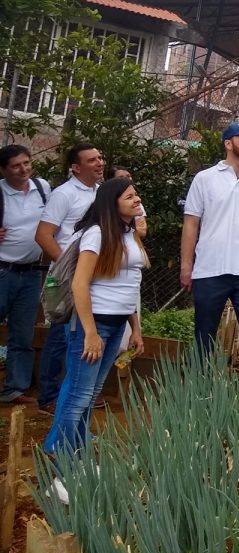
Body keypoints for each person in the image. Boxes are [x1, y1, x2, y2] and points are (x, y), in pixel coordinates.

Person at [42, 177, 147, 457]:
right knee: (78, 395)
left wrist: (135, 329)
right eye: (129, 197)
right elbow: (79, 284)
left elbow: (129, 284)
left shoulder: (128, 233)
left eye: (136, 195)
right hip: (93, 324)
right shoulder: (96, 234)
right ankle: (59, 459)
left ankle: (78, 451)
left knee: (89, 395)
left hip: (116, 324)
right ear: (112, 204)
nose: (137, 200)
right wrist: (90, 333)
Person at [180, 121, 239, 389]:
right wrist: (187, 266)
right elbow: (191, 223)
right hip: (210, 270)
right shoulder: (205, 179)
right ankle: (194, 400)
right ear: (228, 143)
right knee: (203, 337)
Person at [35, 142, 105, 413]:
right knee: (60, 334)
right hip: (68, 277)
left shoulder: (102, 193)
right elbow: (43, 235)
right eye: (91, 160)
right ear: (75, 167)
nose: (99, 163)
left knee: (83, 333)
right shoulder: (64, 194)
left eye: (100, 158)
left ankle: (76, 393)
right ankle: (49, 398)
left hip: (94, 278)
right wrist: (68, 268)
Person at [0, 145, 50, 404]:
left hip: (30, 273)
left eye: (27, 163)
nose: (24, 169)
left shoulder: (42, 188)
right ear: (4, 169)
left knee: (22, 334)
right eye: (16, 165)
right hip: (2, 271)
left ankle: (15, 389)